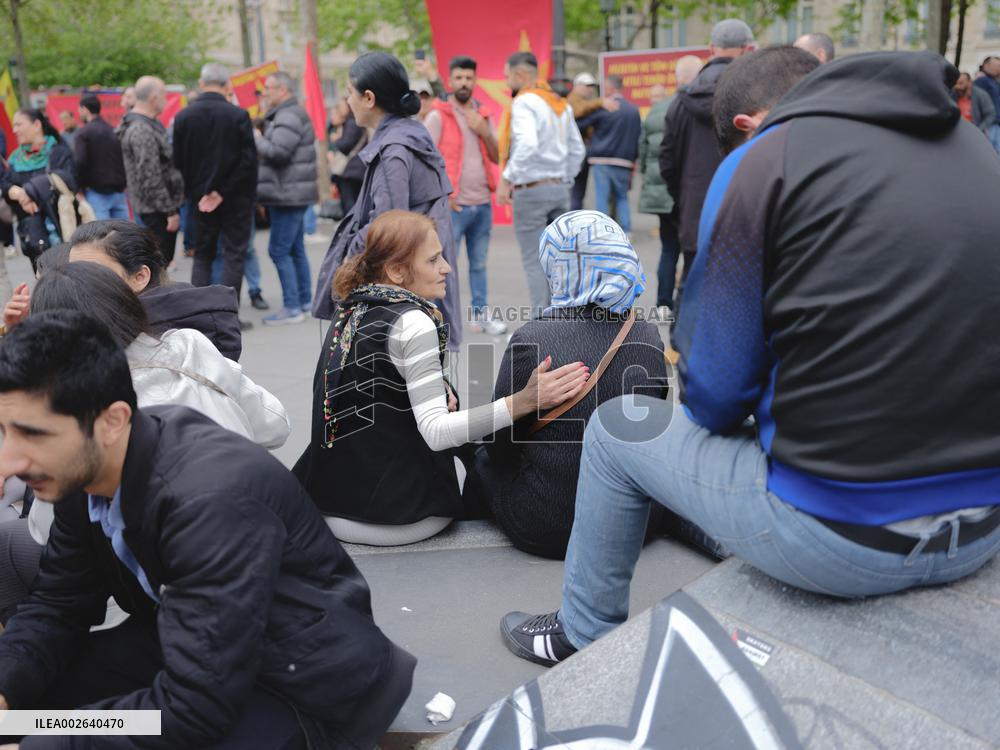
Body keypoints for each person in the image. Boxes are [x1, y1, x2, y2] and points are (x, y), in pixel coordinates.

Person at [499, 48, 1000, 668]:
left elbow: (714, 394)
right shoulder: (974, 147)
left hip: (846, 537)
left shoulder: (765, 162)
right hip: (982, 525)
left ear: (746, 124)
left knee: (617, 426)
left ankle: (580, 631)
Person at [0, 311, 415, 748]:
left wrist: (55, 739)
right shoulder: (81, 470)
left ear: (112, 421)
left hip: (300, 687)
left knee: (50, 737)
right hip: (199, 649)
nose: (9, 462)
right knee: (28, 708)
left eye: (34, 435)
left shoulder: (207, 500)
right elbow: (59, 604)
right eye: (3, 432)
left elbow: (193, 710)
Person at [2, 261, 290, 626]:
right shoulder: (189, 342)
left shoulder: (92, 405)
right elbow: (276, 426)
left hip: (206, 603)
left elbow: (47, 531)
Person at [294, 210, 589, 546]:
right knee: (489, 463)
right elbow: (436, 433)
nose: (447, 267)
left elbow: (364, 394)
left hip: (326, 500)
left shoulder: (353, 306)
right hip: (396, 517)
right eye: (433, 260)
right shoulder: (412, 322)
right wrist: (524, 401)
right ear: (397, 271)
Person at [482, 211, 668, 559]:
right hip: (634, 525)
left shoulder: (532, 338)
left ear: (558, 267)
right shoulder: (646, 334)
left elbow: (500, 445)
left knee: (480, 456)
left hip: (547, 525)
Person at [312, 51, 464, 351]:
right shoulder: (410, 134)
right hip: (422, 278)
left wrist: (351, 254)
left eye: (349, 94)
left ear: (368, 98)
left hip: (405, 287)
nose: (347, 101)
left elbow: (390, 229)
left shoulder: (394, 149)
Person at [659, 19, 753, 322]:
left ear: (711, 49)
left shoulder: (681, 101)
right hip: (744, 209)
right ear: (748, 49)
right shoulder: (756, 98)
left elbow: (667, 160)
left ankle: (683, 349)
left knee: (692, 284)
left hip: (695, 209)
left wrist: (684, 196)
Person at [67, 220, 242, 360]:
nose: (77, 283)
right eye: (72, 272)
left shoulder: (144, 344)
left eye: (93, 273)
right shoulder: (193, 317)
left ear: (140, 277)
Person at [497, 51, 586, 317]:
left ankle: (542, 326)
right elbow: (577, 150)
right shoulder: (561, 104)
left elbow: (527, 145)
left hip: (532, 190)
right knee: (559, 261)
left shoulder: (524, 102)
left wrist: (506, 178)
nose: (506, 81)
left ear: (521, 75)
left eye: (508, 76)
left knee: (535, 262)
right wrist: (563, 178)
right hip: (559, 189)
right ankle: (565, 320)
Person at [424, 55, 507, 336]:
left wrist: (484, 132)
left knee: (479, 265)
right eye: (458, 77)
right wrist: (443, 193)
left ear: (475, 81)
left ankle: (480, 315)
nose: (463, 83)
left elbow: (496, 156)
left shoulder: (483, 115)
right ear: (450, 80)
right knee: (445, 266)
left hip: (482, 202)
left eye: (469, 78)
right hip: (453, 205)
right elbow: (425, 160)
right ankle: (443, 320)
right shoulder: (438, 115)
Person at [173, 63, 258, 305]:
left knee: (203, 254)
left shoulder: (183, 117)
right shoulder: (238, 116)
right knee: (234, 254)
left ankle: (198, 314)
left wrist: (201, 192)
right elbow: (248, 163)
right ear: (227, 85)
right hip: (236, 198)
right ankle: (228, 315)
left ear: (201, 84)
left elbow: (178, 162)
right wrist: (221, 192)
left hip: (199, 199)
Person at [253, 72, 319, 326]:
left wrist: (257, 139)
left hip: (288, 193)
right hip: (292, 192)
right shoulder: (288, 113)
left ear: (282, 90)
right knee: (294, 249)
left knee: (279, 250)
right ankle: (304, 301)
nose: (264, 92)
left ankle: (292, 306)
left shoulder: (287, 115)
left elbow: (279, 152)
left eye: (268, 88)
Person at [639, 56, 701, 315]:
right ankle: (684, 302)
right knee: (690, 246)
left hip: (660, 190)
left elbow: (643, 151)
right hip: (686, 190)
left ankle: (663, 303)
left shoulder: (656, 110)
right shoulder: (692, 107)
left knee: (668, 248)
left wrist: (647, 177)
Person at [118, 76, 185, 267]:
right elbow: (150, 175)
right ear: (154, 98)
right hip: (156, 212)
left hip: (155, 209)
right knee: (157, 267)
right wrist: (169, 211)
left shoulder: (146, 124)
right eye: (164, 94)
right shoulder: (141, 129)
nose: (166, 99)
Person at [0, 108, 76, 268]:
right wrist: (18, 193)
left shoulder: (58, 151)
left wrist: (29, 192)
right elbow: (5, 184)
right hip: (32, 234)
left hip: (60, 228)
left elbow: (68, 181)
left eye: (19, 124)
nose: (15, 130)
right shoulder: (15, 158)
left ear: (36, 125)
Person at [575, 76, 641, 236]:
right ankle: (626, 231)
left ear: (610, 89)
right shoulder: (633, 110)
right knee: (622, 198)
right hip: (624, 162)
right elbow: (637, 135)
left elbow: (580, 124)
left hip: (601, 161)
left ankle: (603, 232)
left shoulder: (605, 108)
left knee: (602, 198)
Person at [73, 94, 129, 220]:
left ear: (85, 109)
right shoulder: (113, 130)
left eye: (79, 109)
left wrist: (78, 187)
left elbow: (80, 162)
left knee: (102, 236)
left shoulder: (83, 133)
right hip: (118, 191)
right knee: (123, 236)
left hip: (96, 192)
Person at [567, 73, 603, 211]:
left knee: (579, 192)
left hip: (581, 150)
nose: (591, 89)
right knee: (575, 192)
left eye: (592, 86)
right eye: (588, 86)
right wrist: (600, 102)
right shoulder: (573, 101)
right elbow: (577, 110)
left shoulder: (585, 102)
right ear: (578, 86)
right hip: (574, 152)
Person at [327, 98, 367, 215]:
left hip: (352, 170)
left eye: (342, 106)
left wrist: (336, 140)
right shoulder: (347, 122)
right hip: (352, 169)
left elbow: (346, 145)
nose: (340, 110)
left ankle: (352, 230)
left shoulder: (352, 122)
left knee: (350, 203)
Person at [952, 71, 996, 136]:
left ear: (969, 82)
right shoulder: (954, 94)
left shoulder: (981, 95)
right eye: (956, 83)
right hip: (957, 132)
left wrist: (979, 129)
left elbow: (991, 114)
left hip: (974, 132)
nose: (957, 86)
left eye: (961, 83)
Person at [974, 56, 1000, 153]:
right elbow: (976, 103)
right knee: (992, 152)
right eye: (997, 65)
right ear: (986, 65)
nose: (999, 68)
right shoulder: (982, 80)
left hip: (995, 122)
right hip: (989, 124)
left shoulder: (993, 81)